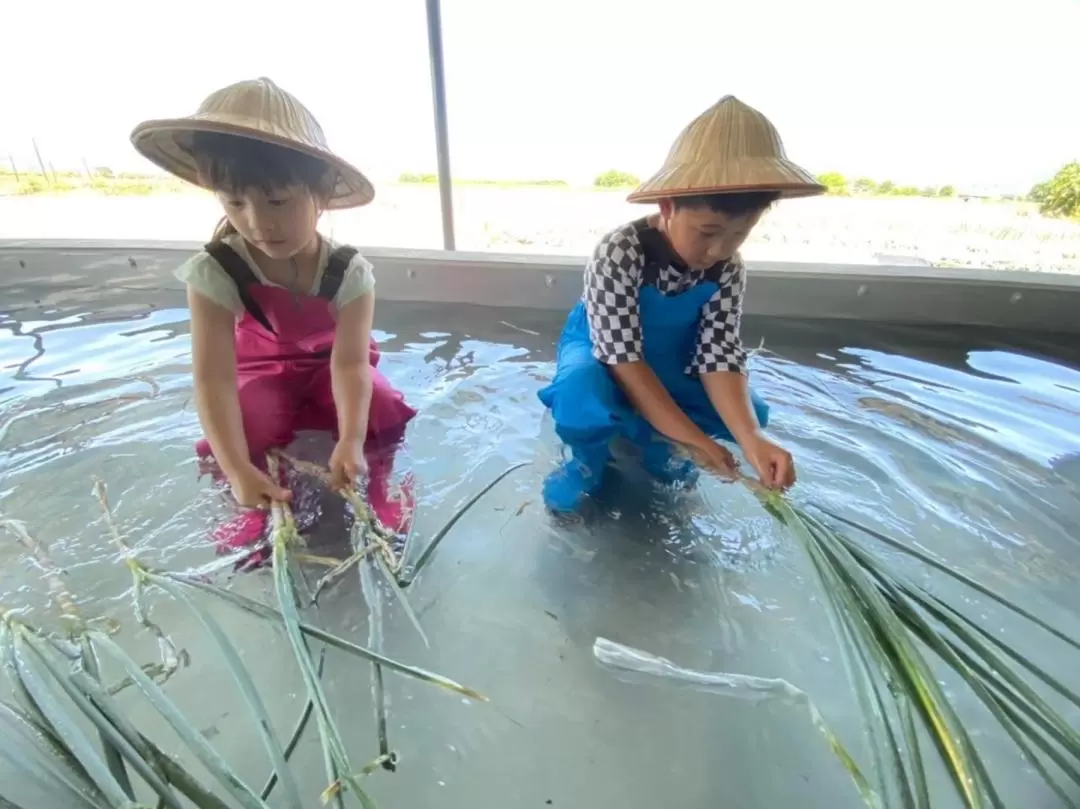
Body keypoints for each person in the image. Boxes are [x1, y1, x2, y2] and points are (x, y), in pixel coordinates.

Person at [130, 77, 417, 560]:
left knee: (382, 402)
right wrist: (238, 467)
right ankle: (255, 509)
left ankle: (379, 491)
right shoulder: (215, 270)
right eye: (235, 202)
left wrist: (348, 440)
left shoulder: (350, 271)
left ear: (320, 191)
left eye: (278, 201)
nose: (260, 222)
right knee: (246, 413)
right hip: (260, 368)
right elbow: (213, 377)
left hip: (332, 364)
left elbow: (349, 366)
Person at [538, 95, 825, 514]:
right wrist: (696, 440)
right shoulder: (621, 251)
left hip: (672, 356)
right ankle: (586, 464)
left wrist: (751, 441)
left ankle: (662, 453)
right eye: (707, 231)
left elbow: (718, 356)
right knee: (580, 390)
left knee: (753, 413)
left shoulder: (728, 268)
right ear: (668, 206)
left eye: (740, 233)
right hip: (606, 353)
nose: (719, 250)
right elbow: (625, 362)